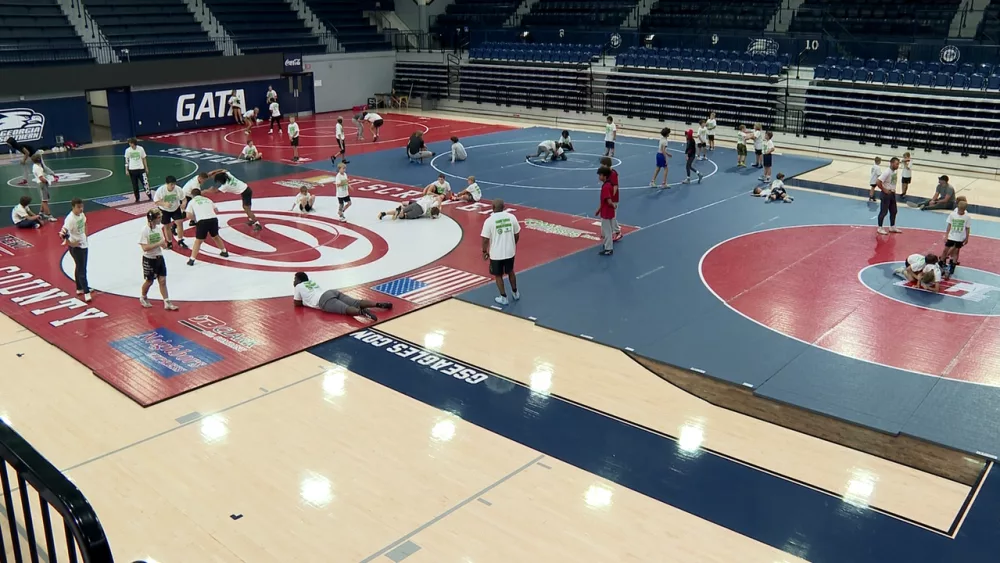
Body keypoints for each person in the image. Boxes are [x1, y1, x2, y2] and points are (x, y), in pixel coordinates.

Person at [293, 272, 392, 321]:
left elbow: (297, 304)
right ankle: (378, 304)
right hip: (331, 292)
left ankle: (361, 312)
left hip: (323, 300)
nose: (294, 281)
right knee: (356, 302)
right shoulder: (311, 282)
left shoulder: (298, 286)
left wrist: (304, 302)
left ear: (299, 280)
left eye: (295, 279)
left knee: (346, 309)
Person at [137, 208, 179, 311]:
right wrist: (158, 244)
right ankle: (143, 297)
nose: (161, 219)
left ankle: (167, 302)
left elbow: (162, 243)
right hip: (149, 258)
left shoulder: (159, 229)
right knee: (149, 281)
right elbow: (144, 248)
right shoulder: (144, 231)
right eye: (159, 217)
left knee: (163, 280)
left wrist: (165, 245)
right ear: (153, 219)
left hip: (159, 257)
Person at [481, 199, 520, 305]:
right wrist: (513, 244)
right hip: (510, 251)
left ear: (492, 207)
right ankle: (515, 293)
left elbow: (485, 239)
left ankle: (504, 297)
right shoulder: (512, 217)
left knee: (498, 275)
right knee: (510, 271)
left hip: (496, 254)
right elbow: (517, 234)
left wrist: (484, 251)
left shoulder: (489, 221)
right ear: (504, 207)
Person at [185, 188, 230, 266]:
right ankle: (224, 251)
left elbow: (188, 215)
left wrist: (195, 219)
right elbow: (216, 210)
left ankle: (192, 259)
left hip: (202, 221)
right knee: (215, 236)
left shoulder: (192, 202)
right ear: (200, 194)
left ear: (192, 195)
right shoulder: (208, 199)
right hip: (213, 219)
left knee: (198, 241)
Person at [61, 198, 91, 302]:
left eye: (82, 206)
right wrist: (71, 243)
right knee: (82, 269)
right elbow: (62, 234)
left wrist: (86, 236)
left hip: (83, 243)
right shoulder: (70, 219)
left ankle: (79, 288)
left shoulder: (81, 215)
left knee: (80, 267)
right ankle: (86, 291)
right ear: (73, 207)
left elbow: (85, 224)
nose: (81, 209)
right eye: (78, 207)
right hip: (76, 247)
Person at [153, 176, 189, 249]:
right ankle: (169, 242)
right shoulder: (161, 190)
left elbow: (184, 199)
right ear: (167, 184)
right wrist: (164, 204)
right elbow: (156, 201)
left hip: (175, 208)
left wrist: (184, 203)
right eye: (171, 184)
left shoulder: (178, 189)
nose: (173, 186)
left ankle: (180, 240)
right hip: (164, 210)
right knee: (167, 226)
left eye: (174, 184)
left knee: (180, 222)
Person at [941, 197, 971, 279]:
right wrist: (946, 234)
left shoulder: (967, 217)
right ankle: (941, 263)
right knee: (946, 250)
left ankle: (951, 266)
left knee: (956, 252)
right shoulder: (953, 214)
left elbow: (967, 228)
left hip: (960, 237)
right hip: (952, 236)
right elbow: (949, 225)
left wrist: (967, 238)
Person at [876, 157, 902, 235]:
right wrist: (884, 190)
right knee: (884, 212)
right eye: (896, 164)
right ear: (891, 163)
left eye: (898, 164)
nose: (898, 165)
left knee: (894, 211)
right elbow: (878, 181)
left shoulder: (894, 171)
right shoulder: (887, 172)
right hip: (886, 194)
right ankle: (880, 227)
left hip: (892, 193)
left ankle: (892, 226)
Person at [600, 156, 622, 241]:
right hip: (608, 198)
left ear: (606, 165)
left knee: (612, 217)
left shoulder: (613, 173)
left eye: (602, 165)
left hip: (613, 199)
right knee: (607, 216)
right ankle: (606, 233)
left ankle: (617, 231)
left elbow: (615, 186)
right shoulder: (607, 173)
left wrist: (611, 197)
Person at [30, 154, 58, 222]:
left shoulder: (36, 166)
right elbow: (41, 178)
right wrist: (51, 180)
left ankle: (41, 213)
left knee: (44, 199)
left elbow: (45, 168)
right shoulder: (38, 168)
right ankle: (49, 216)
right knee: (45, 201)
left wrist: (52, 174)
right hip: (42, 184)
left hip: (41, 184)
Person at [596, 166, 616, 256]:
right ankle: (607, 246)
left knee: (606, 230)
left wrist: (612, 205)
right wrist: (598, 210)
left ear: (604, 176)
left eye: (600, 175)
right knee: (608, 229)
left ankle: (608, 248)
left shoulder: (605, 187)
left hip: (606, 212)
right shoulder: (609, 184)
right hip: (609, 211)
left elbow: (608, 200)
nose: (599, 177)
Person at [124, 137, 151, 202]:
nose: (130, 145)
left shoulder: (140, 149)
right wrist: (126, 170)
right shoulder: (127, 150)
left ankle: (149, 196)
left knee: (145, 183)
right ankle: (137, 198)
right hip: (132, 170)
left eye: (131, 143)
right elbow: (126, 161)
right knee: (135, 185)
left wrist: (146, 168)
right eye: (129, 143)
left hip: (141, 169)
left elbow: (144, 158)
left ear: (134, 143)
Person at [377, 194, 442, 220]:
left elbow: (438, 197)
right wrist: (438, 206)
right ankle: (399, 211)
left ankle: (384, 213)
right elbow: (434, 214)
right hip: (419, 210)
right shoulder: (434, 205)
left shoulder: (428, 197)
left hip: (416, 204)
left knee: (404, 210)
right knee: (403, 216)